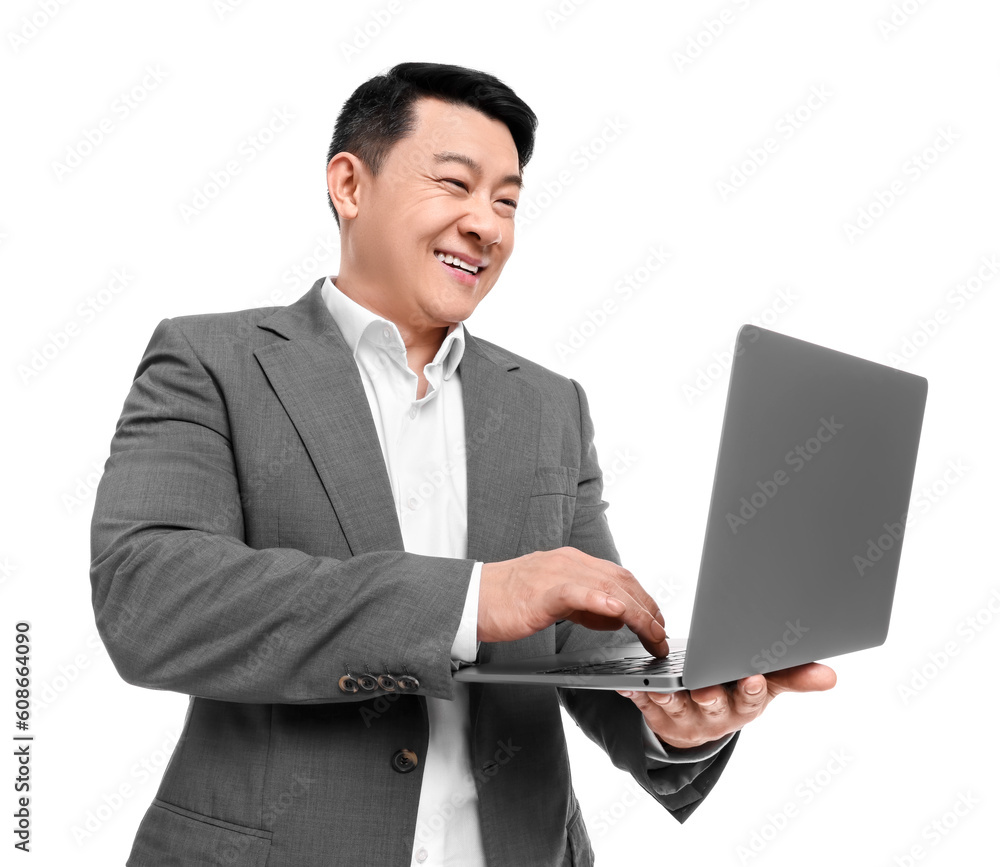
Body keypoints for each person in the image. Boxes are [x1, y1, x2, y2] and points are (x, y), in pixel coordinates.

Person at [90, 61, 835, 866]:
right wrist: (476, 597)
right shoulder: (213, 360)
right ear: (349, 183)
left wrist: (678, 718)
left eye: (508, 200)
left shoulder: (550, 404)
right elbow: (150, 598)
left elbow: (589, 655)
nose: (488, 225)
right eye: (456, 184)